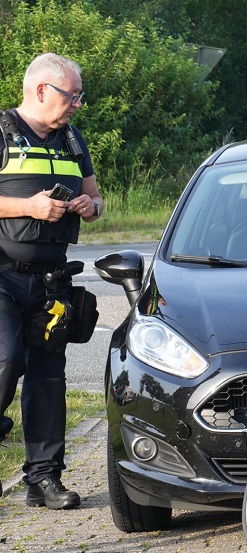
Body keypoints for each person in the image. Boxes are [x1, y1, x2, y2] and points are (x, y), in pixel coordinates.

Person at [0, 53, 104, 509]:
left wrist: (88, 208)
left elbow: (97, 198)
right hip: (3, 276)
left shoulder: (72, 140)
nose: (77, 104)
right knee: (5, 362)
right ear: (41, 90)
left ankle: (43, 480)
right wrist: (29, 207)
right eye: (72, 95)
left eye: (79, 96)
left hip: (52, 280)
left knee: (48, 380)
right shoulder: (1, 133)